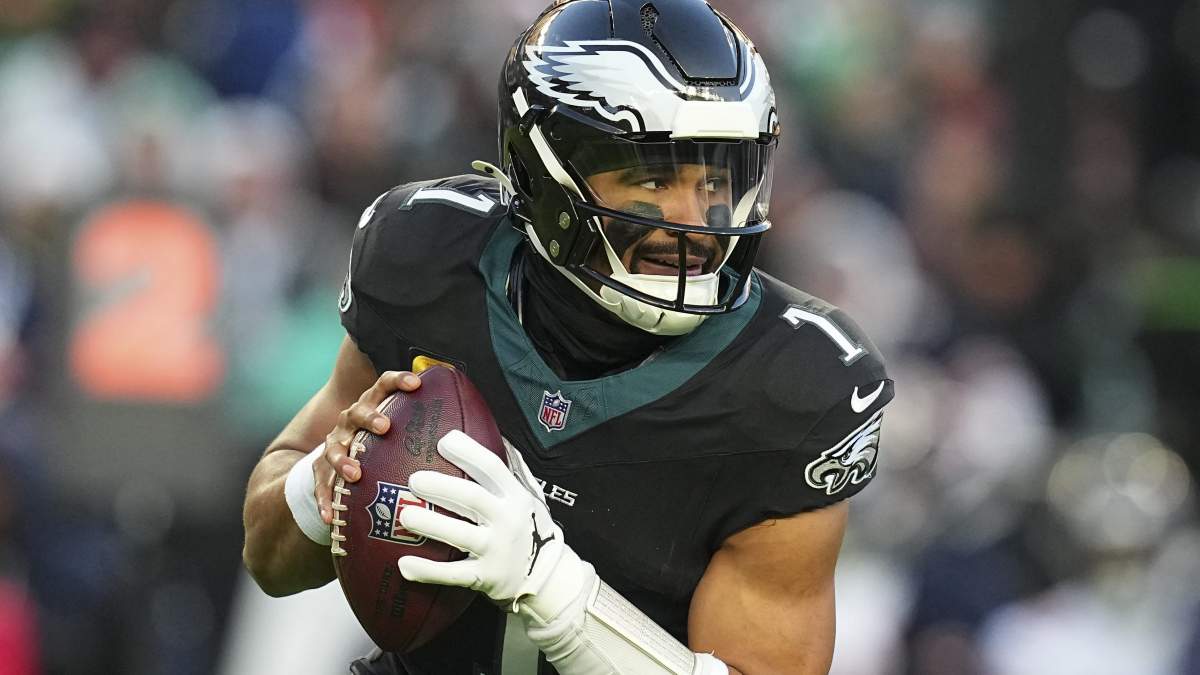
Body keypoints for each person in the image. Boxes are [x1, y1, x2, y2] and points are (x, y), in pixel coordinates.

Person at [241, 1, 893, 673]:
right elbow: (268, 557)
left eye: (714, 180)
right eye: (652, 178)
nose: (695, 221)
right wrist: (320, 488)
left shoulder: (794, 383)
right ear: (541, 169)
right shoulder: (429, 256)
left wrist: (553, 591)